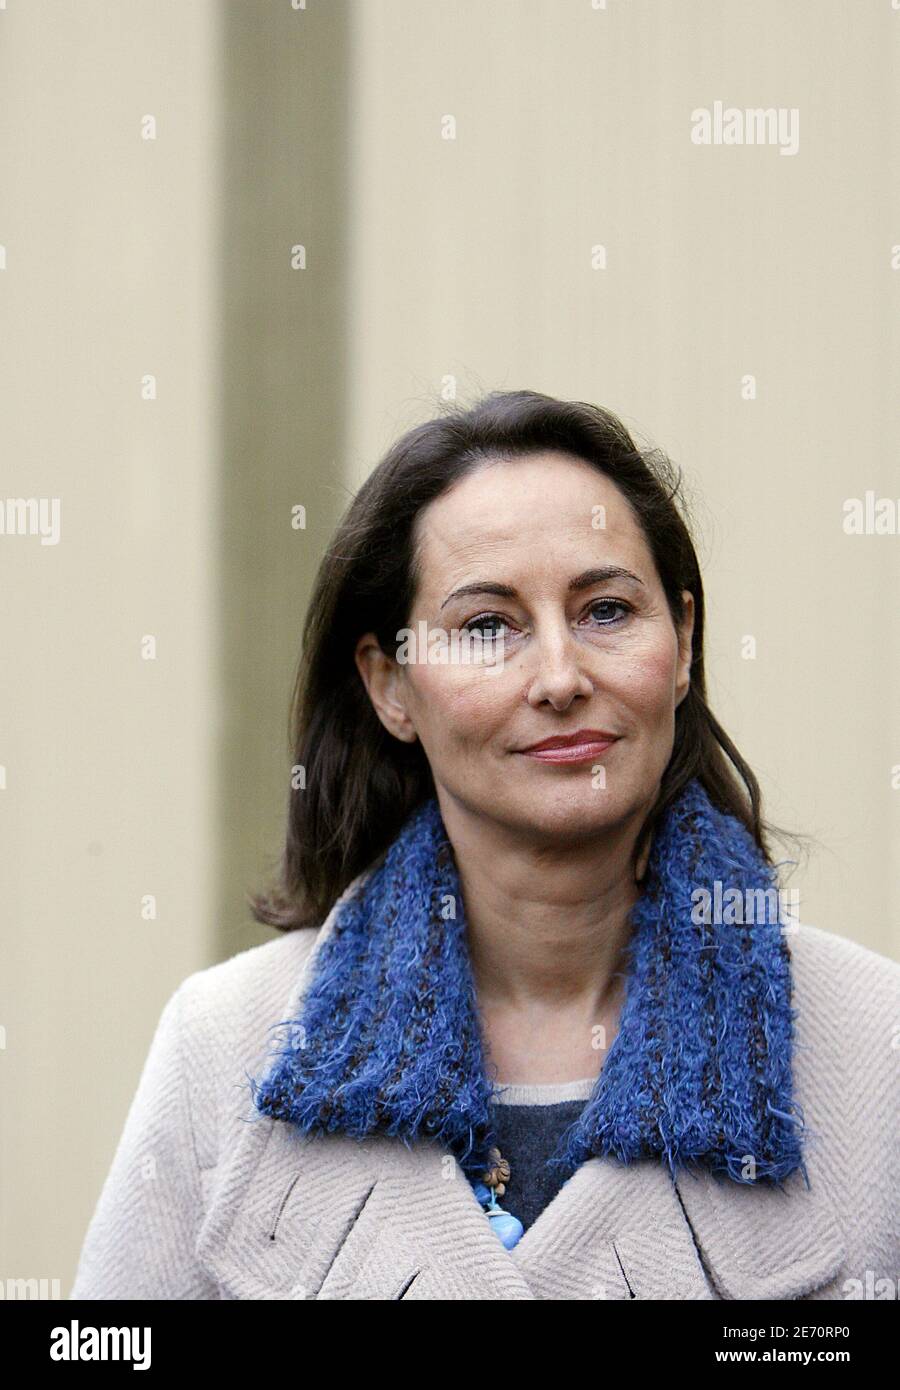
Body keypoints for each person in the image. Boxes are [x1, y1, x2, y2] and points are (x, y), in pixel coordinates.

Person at [71, 390, 899, 1300]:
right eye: (487, 627)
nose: (559, 677)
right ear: (391, 685)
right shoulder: (226, 1049)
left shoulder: (871, 1045)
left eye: (608, 611)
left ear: (685, 640)